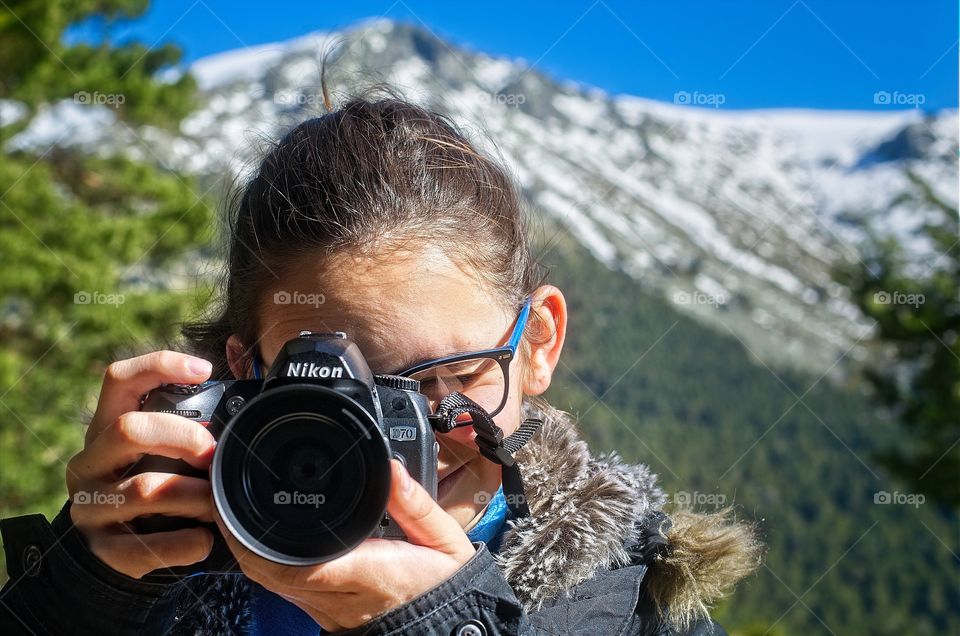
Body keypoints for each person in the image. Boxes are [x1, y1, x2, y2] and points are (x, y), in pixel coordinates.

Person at [0, 86, 760, 635]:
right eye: (341, 395)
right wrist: (75, 598)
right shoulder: (163, 572)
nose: (402, 445)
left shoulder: (629, 613)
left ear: (537, 345)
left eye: (451, 378)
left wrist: (447, 626)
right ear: (243, 376)